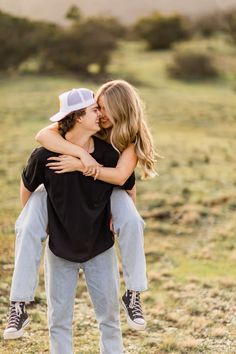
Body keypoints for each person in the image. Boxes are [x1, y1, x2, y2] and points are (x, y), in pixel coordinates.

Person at [4, 80, 157, 340]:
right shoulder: (75, 133)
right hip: (61, 193)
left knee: (132, 220)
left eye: (103, 109)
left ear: (119, 110)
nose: (99, 113)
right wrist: (81, 155)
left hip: (112, 189)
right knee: (27, 223)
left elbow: (123, 178)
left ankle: (133, 293)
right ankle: (18, 304)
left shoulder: (128, 139)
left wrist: (83, 167)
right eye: (96, 107)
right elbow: (43, 136)